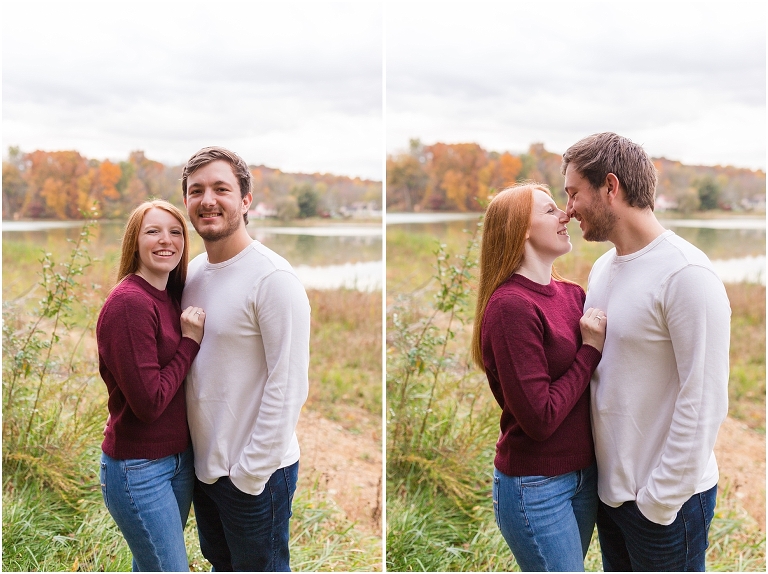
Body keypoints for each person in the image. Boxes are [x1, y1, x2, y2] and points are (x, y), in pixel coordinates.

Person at [562, 132, 730, 572]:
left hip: (666, 507)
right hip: (611, 497)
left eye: (574, 193)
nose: (568, 208)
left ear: (610, 187)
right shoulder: (603, 268)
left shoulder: (686, 274)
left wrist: (659, 501)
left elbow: (705, 399)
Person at [180, 146, 310, 572]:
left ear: (246, 200)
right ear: (186, 201)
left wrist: (250, 474)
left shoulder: (273, 278)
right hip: (205, 469)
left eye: (221, 189)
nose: (208, 200)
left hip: (256, 476)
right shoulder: (192, 272)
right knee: (221, 565)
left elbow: (288, 386)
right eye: (196, 190)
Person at [470, 183, 607, 572]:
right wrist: (590, 350)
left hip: (585, 476)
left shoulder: (572, 295)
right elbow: (540, 418)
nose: (566, 214)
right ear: (521, 229)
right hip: (536, 486)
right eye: (550, 211)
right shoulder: (511, 307)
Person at [97, 200, 206, 571]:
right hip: (138, 469)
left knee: (150, 566)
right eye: (153, 231)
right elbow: (149, 403)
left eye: (175, 232)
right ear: (135, 241)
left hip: (178, 460)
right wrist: (190, 343)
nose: (166, 240)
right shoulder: (130, 303)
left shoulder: (169, 297)